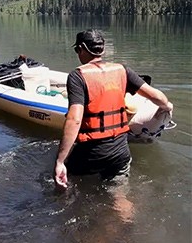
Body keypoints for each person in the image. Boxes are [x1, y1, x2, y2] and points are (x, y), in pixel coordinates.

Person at [54, 29, 173, 189]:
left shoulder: (77, 77)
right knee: (119, 197)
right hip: (120, 152)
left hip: (92, 152)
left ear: (82, 48)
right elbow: (157, 97)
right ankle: (126, 214)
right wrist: (168, 106)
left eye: (77, 50)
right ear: (101, 49)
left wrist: (61, 161)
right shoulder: (122, 70)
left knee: (66, 186)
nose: (77, 54)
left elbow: (74, 120)